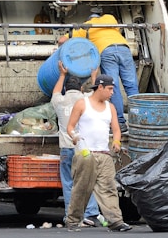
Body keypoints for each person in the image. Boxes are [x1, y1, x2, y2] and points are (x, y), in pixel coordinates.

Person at [64, 74, 132, 232]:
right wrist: (74, 137)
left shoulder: (111, 108)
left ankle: (116, 222)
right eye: (109, 89)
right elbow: (70, 127)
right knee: (82, 188)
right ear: (99, 87)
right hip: (86, 154)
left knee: (109, 188)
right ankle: (73, 221)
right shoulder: (82, 104)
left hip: (104, 155)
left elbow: (116, 130)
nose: (112, 92)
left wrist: (116, 142)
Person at [58, 12, 138, 132]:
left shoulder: (85, 27)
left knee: (113, 87)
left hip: (107, 51)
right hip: (124, 49)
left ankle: (120, 122)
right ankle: (138, 121)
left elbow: (61, 40)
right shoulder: (110, 18)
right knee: (132, 86)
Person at [51, 61, 105, 227]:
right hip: (84, 150)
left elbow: (55, 92)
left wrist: (61, 75)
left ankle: (71, 215)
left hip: (67, 149)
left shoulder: (59, 101)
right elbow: (97, 92)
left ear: (66, 89)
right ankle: (90, 214)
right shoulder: (86, 101)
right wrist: (95, 76)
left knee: (69, 183)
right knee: (87, 181)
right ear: (81, 88)